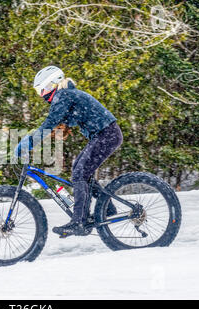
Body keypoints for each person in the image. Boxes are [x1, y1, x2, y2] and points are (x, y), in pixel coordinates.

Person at [14, 66, 123, 237]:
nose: (41, 95)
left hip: (106, 134)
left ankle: (79, 221)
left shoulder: (63, 95)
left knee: (79, 172)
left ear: (51, 84)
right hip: (106, 134)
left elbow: (49, 123)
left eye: (41, 90)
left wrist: (28, 142)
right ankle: (106, 209)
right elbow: (57, 124)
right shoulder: (66, 95)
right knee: (80, 171)